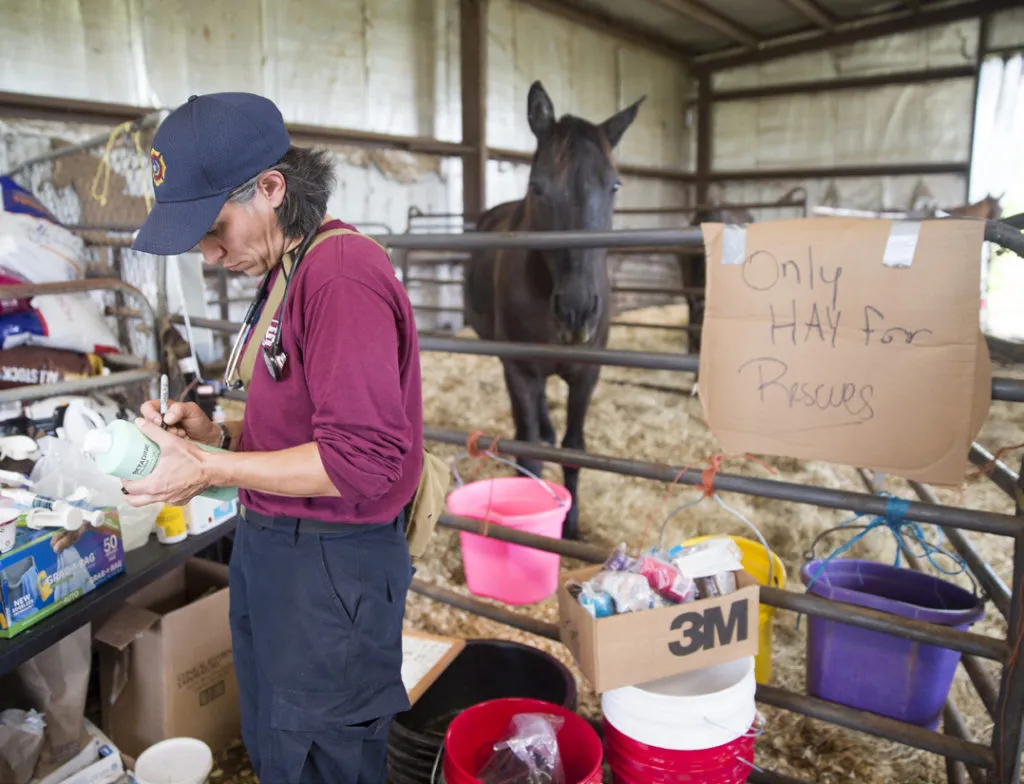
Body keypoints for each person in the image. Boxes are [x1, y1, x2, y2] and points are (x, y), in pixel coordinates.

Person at [122, 92, 423, 783]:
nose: (207, 251)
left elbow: (361, 459)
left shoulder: (341, 275)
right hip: (280, 550)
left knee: (322, 756)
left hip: (329, 566)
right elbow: (306, 419)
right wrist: (220, 435)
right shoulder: (291, 269)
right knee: (277, 743)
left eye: (213, 226)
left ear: (272, 188)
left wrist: (207, 468)